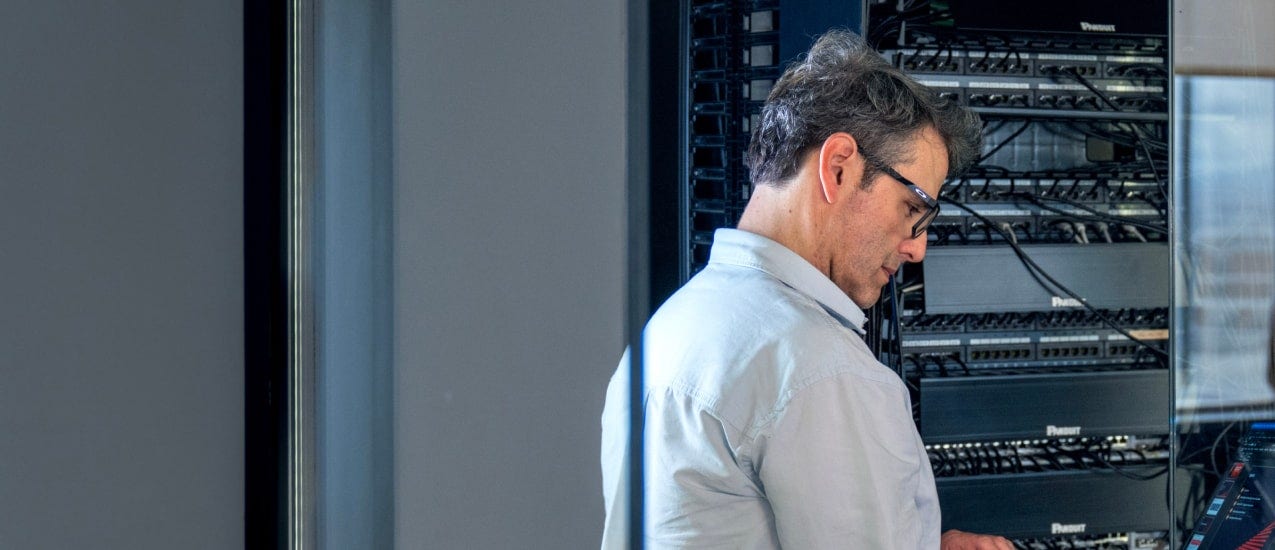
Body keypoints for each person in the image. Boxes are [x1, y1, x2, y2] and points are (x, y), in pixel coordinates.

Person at [600, 29, 1011, 549]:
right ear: (838, 167)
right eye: (913, 210)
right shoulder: (822, 371)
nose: (916, 250)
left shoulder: (667, 332)